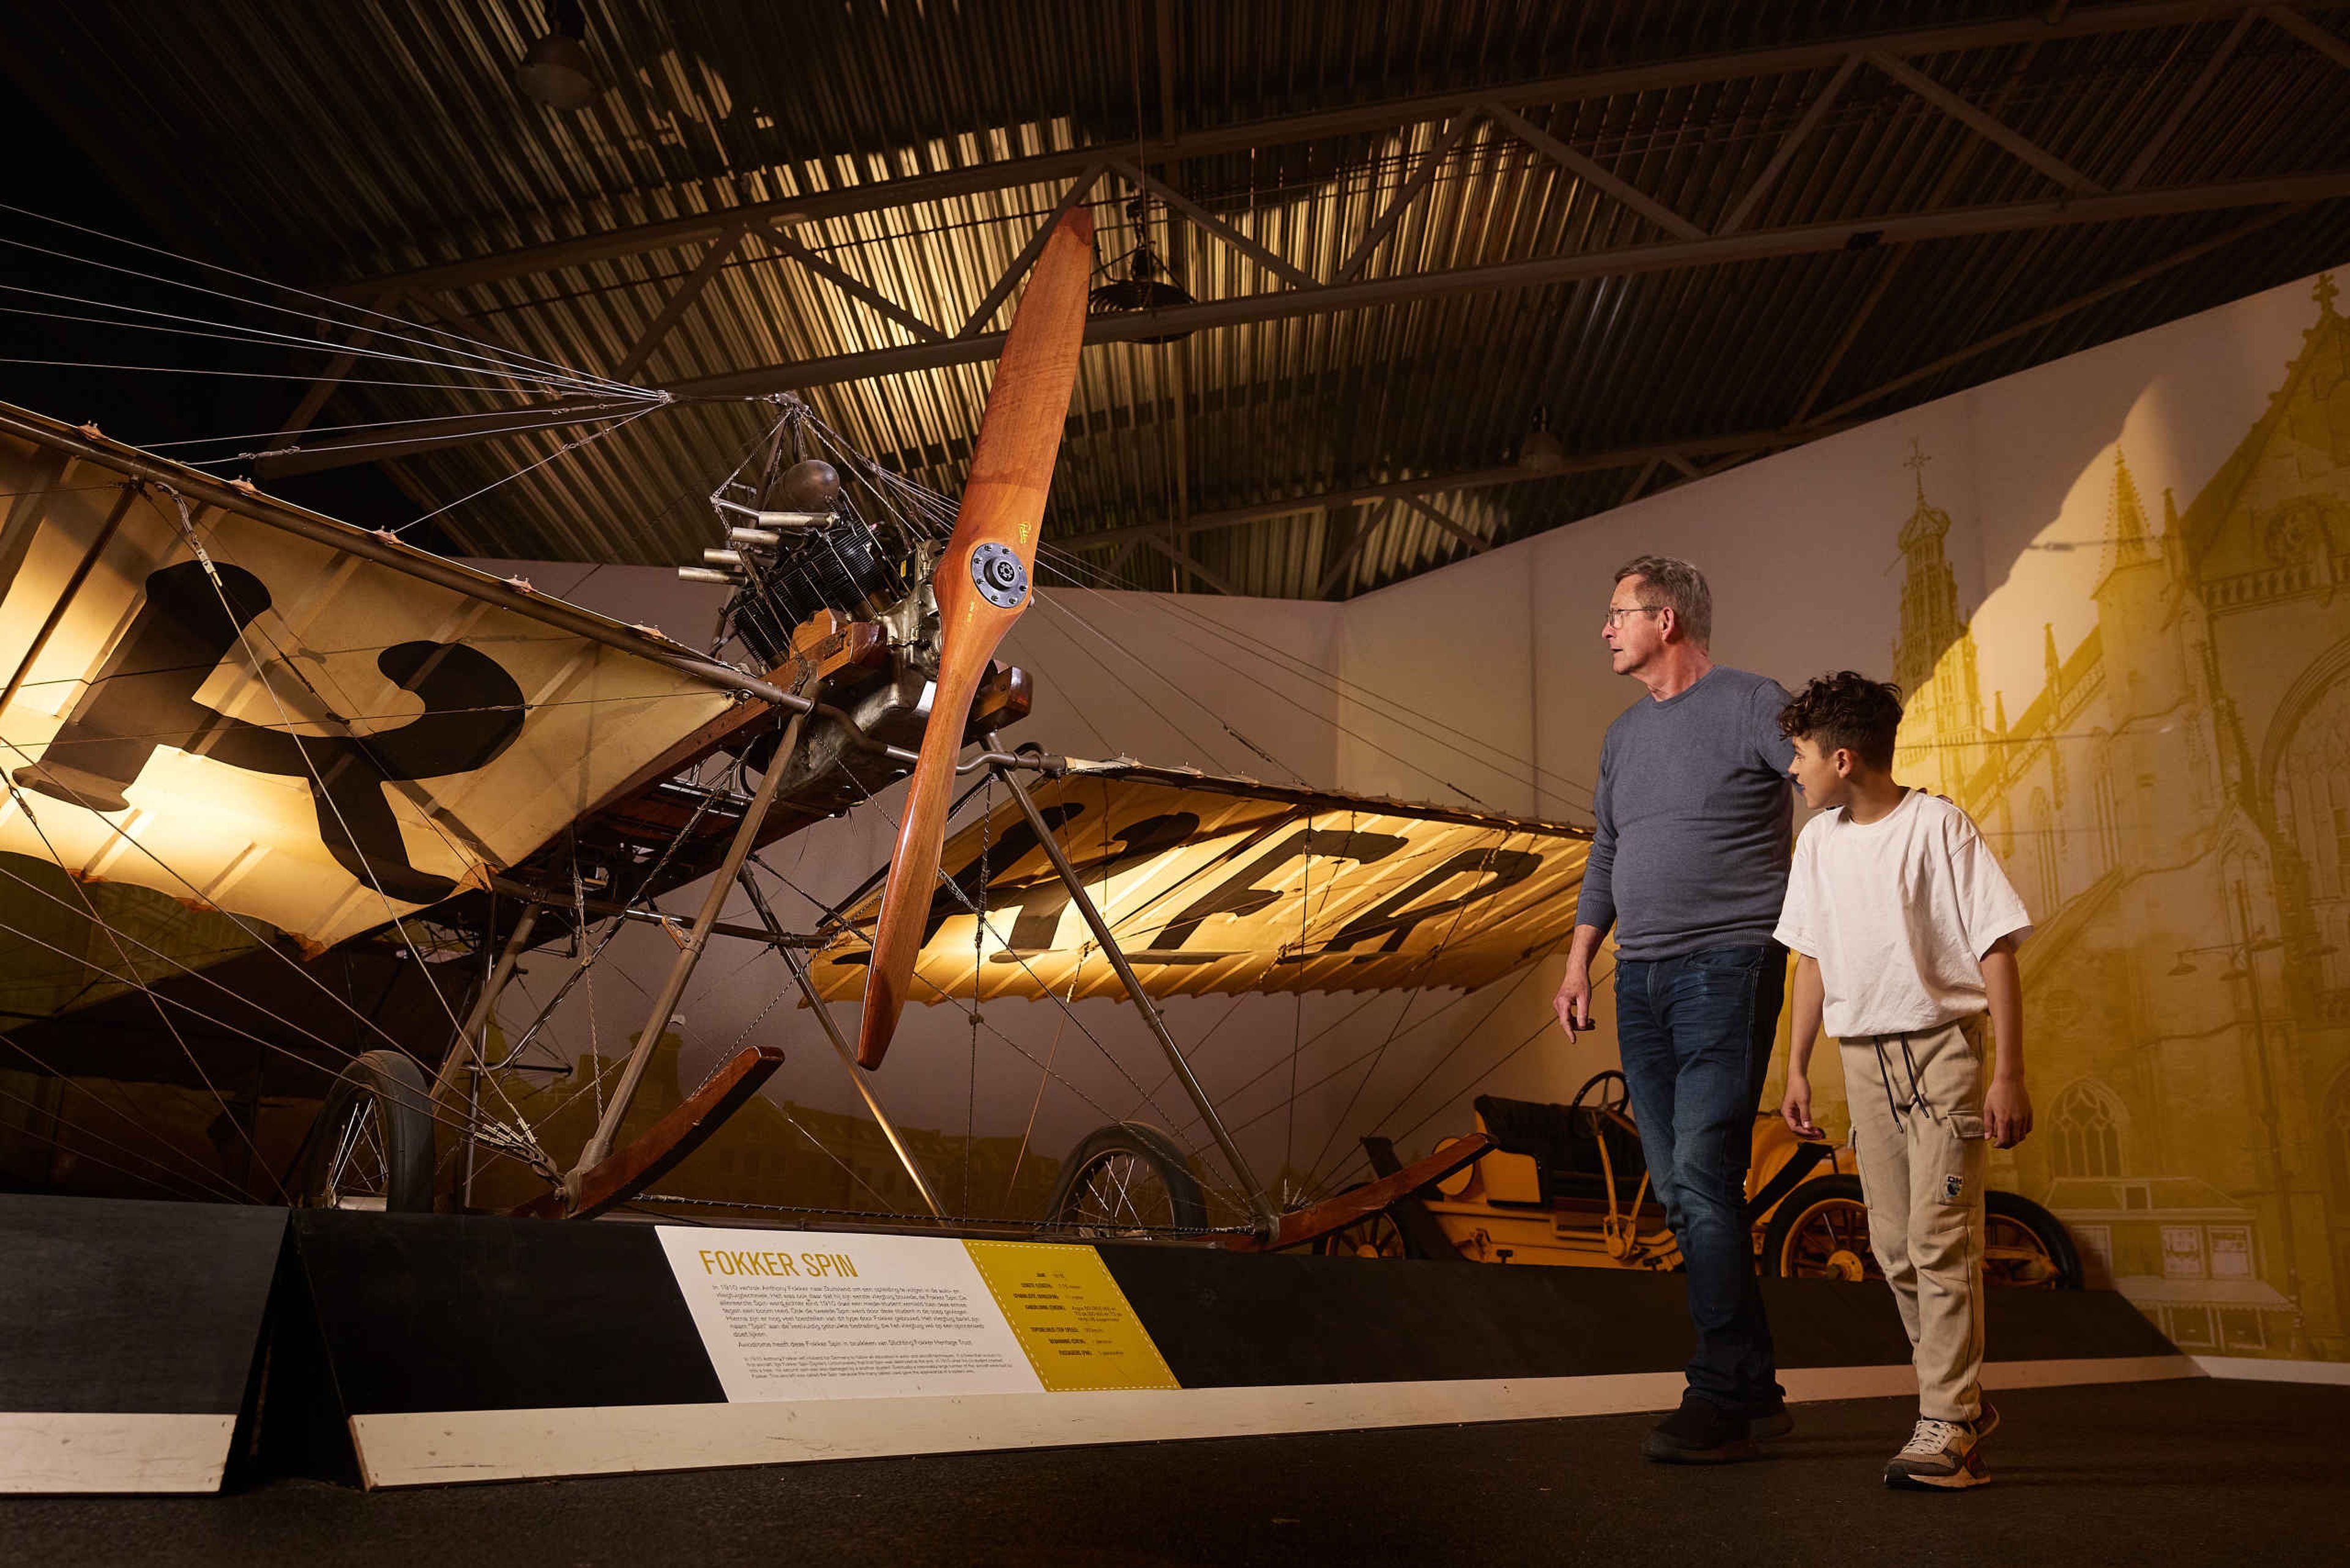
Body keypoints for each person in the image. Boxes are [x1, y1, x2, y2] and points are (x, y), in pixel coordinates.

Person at [1554, 554, 1796, 1463]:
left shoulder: (1749, 701)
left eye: (1619, 612)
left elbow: (1820, 780)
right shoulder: (1623, 737)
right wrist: (1581, 962)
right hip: (1641, 978)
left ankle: (1720, 1392)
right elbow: (1606, 852)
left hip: (1729, 964)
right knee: (1687, 1189)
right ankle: (1756, 1385)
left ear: (1668, 619)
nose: (1607, 628)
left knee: (1699, 1178)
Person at [1772, 671, 2034, 1491]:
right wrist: (1796, 1064)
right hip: (1864, 1065)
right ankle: (1957, 1400)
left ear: (1844, 758)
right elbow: (1810, 958)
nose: (1793, 769)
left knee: (1940, 1237)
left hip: (1946, 1064)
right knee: (1892, 1247)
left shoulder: (1939, 826)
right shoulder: (1817, 843)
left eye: (1802, 755)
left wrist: (2010, 1073)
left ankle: (1949, 1420)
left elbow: (1996, 947)